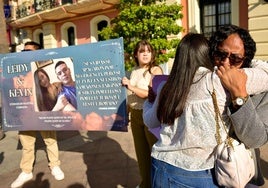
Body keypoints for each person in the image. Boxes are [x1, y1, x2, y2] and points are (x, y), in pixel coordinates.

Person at [142, 33, 268, 187]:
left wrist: (148, 103)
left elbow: (150, 121)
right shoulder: (217, 80)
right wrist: (246, 59)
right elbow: (266, 75)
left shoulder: (166, 87)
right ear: (207, 55)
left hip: (162, 165)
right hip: (201, 170)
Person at [209, 24, 268, 187]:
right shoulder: (205, 78)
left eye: (235, 59)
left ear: (245, 60)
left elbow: (256, 139)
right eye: (221, 55)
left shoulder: (261, 86)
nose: (226, 63)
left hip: (239, 172)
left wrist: (239, 94)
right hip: (202, 172)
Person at [11, 41, 65, 188]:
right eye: (23, 52)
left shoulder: (54, 85)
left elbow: (62, 87)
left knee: (50, 141)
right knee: (27, 145)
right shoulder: (19, 70)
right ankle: (26, 171)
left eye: (28, 52)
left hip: (44, 117)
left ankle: (54, 165)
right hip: (26, 115)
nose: (24, 55)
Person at [121, 40, 163, 188]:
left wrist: (130, 86)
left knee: (154, 153)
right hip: (135, 115)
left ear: (152, 54)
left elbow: (150, 94)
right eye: (141, 51)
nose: (145, 53)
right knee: (141, 154)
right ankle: (146, 183)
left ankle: (157, 183)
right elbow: (130, 97)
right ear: (136, 55)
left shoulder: (155, 70)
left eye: (148, 51)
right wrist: (126, 114)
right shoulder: (134, 71)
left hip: (149, 116)